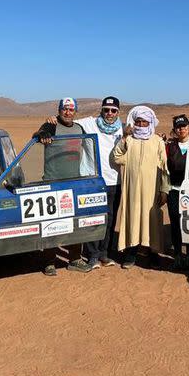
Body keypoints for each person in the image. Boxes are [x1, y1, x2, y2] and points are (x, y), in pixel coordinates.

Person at [46, 96, 124, 269]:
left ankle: (104, 253)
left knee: (109, 219)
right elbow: (67, 120)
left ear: (118, 112)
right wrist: (51, 120)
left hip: (114, 181)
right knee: (91, 219)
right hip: (91, 180)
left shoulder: (123, 128)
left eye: (113, 110)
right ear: (101, 110)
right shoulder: (88, 124)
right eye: (106, 110)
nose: (109, 113)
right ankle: (92, 255)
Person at [32, 97, 93, 276]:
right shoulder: (51, 125)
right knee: (52, 223)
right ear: (59, 110)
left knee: (76, 223)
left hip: (74, 182)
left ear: (75, 112)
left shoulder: (79, 128)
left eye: (71, 109)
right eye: (64, 109)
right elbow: (37, 135)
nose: (68, 112)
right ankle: (49, 261)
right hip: (53, 182)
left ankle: (75, 259)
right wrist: (42, 133)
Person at [111, 105, 170, 269]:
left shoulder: (157, 141)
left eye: (145, 122)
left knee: (152, 222)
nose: (142, 125)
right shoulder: (129, 140)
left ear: (150, 122)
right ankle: (130, 254)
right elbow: (117, 158)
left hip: (152, 192)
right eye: (138, 121)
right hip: (133, 192)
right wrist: (123, 139)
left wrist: (164, 190)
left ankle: (153, 254)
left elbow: (165, 168)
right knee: (133, 219)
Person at [166, 114, 189, 270]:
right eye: (178, 127)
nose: (181, 129)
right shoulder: (169, 146)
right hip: (174, 191)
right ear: (174, 130)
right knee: (175, 224)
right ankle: (177, 255)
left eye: (184, 126)